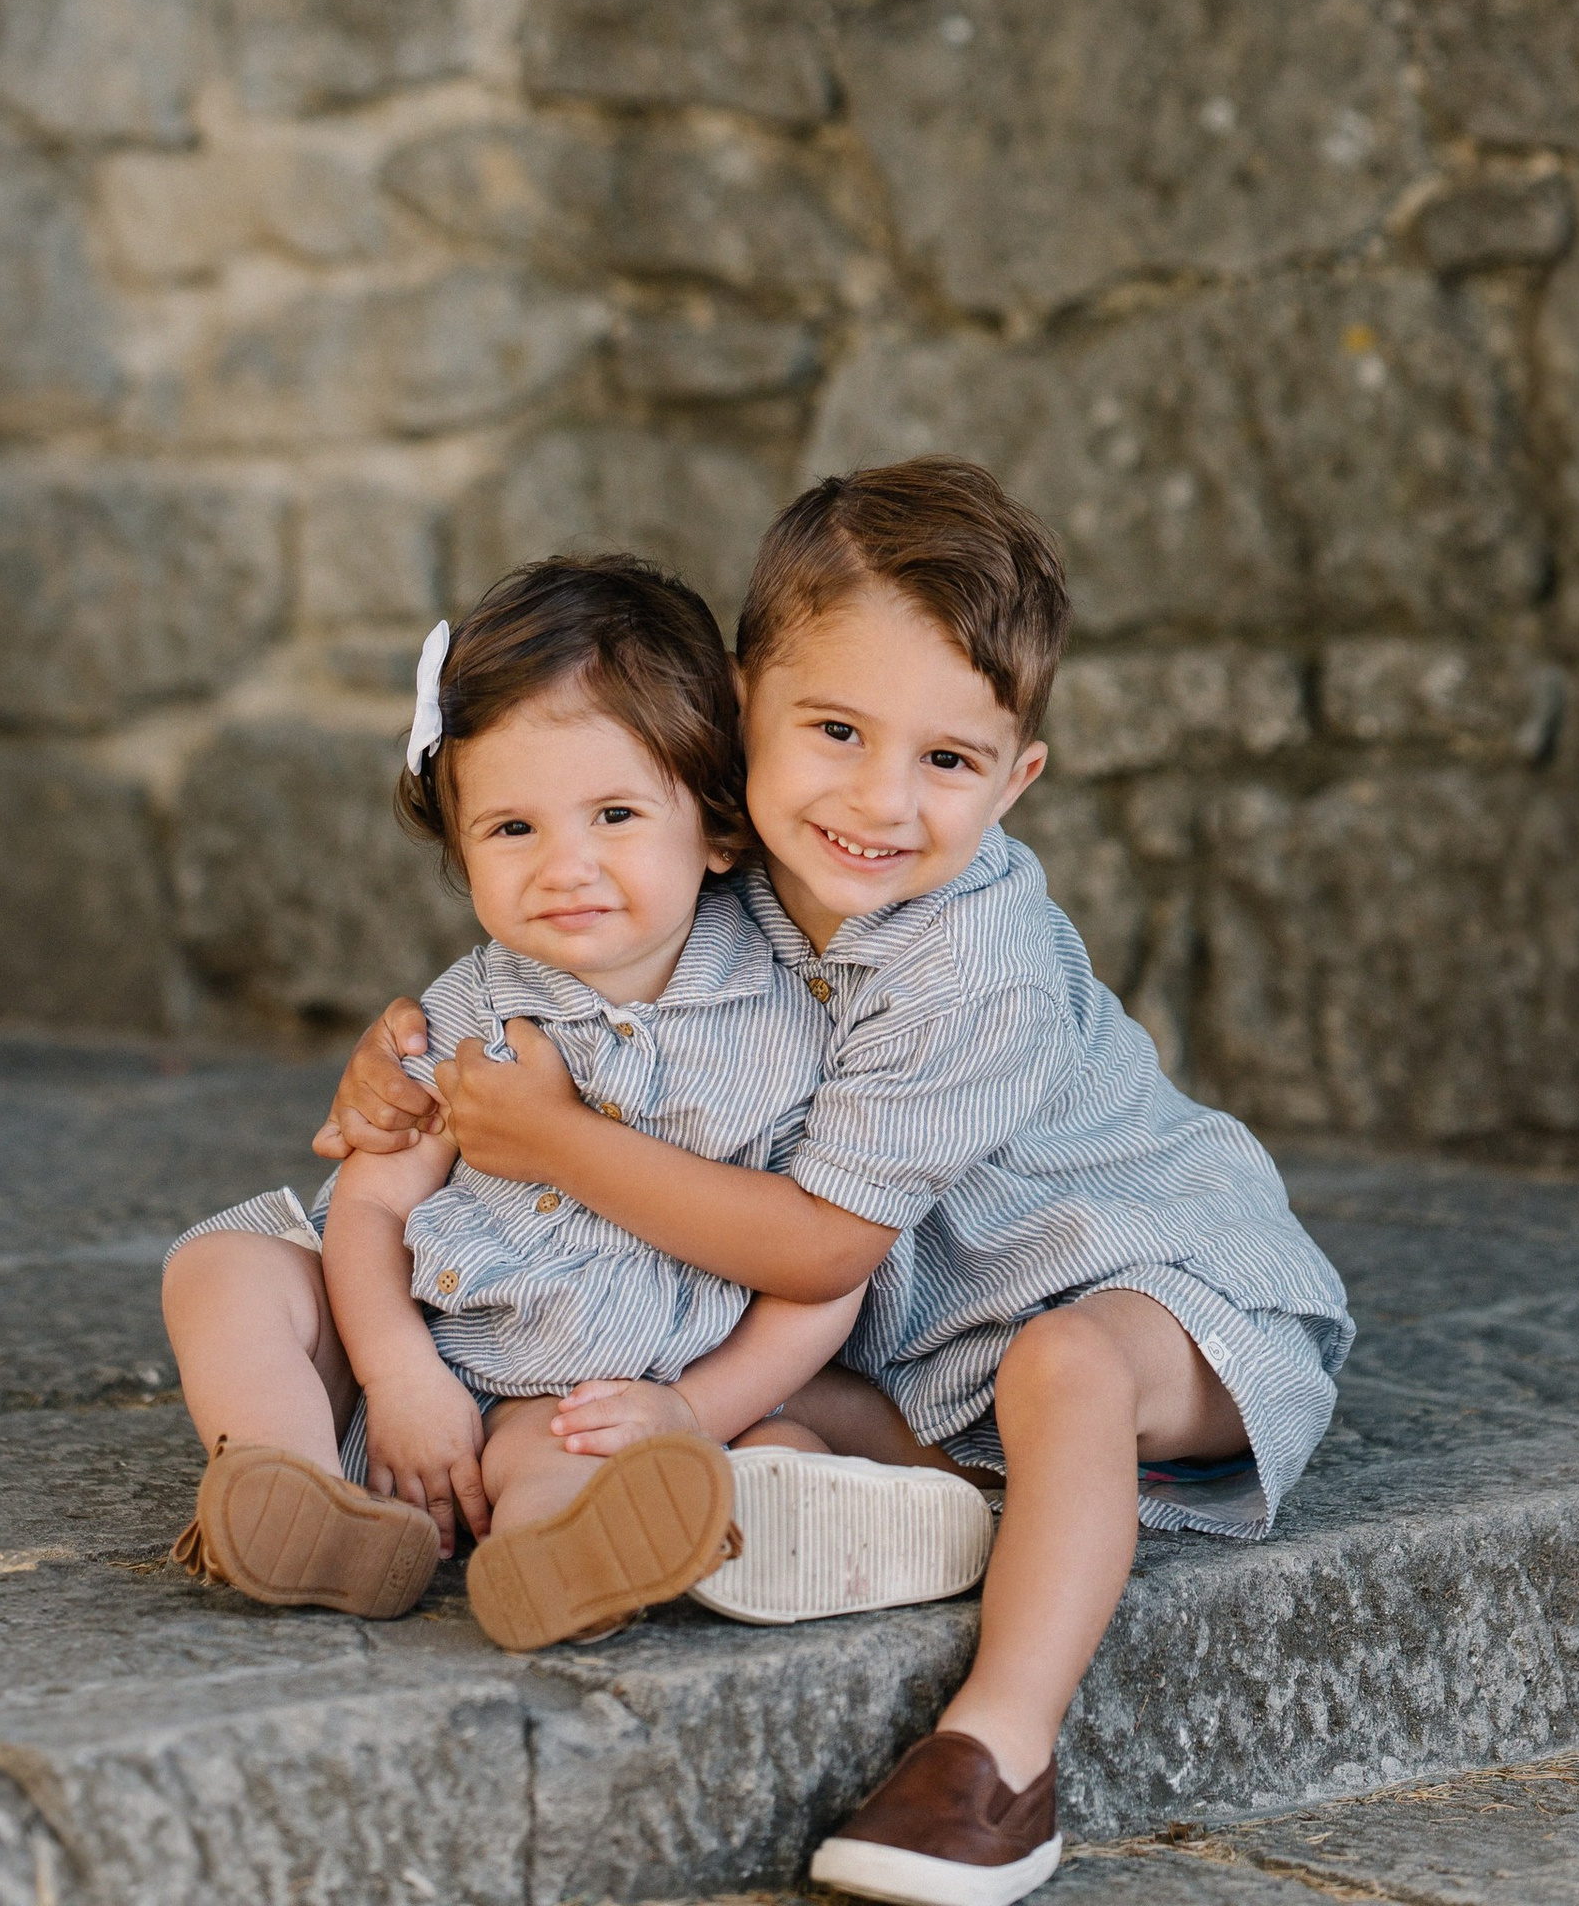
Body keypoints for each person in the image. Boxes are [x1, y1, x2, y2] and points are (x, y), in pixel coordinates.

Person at [321, 458, 1355, 1906]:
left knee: (1063, 1367)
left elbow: (813, 1248)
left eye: (946, 761)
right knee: (708, 1378)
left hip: (1156, 1294)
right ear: (739, 708)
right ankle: (867, 1497)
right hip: (925, 1334)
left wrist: (551, 1141)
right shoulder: (728, 858)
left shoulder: (967, 964)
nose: (878, 800)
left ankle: (999, 1755)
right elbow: (568, 973)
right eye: (836, 729)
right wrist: (409, 1055)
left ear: (1016, 778)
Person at [158, 549, 993, 1651]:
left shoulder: (796, 1017)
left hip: (591, 1401)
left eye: (613, 815)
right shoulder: (466, 1012)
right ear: (460, 847)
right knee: (219, 1268)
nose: (565, 866)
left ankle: (558, 1563)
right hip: (410, 1362)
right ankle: (294, 1487)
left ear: (717, 826)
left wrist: (701, 1407)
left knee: (564, 1462)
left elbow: (821, 1274)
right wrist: (400, 1375)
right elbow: (367, 1209)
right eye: (513, 830)